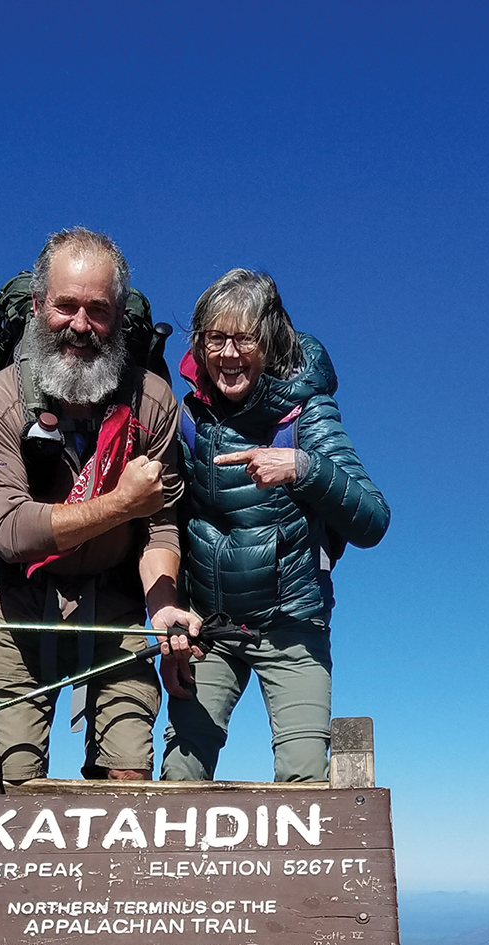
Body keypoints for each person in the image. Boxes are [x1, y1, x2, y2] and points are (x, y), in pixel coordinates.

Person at [0, 227, 197, 781]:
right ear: (39, 305)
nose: (80, 325)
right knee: (14, 787)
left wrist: (163, 607)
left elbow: (159, 526)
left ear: (118, 316)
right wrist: (121, 505)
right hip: (18, 606)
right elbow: (12, 532)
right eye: (66, 306)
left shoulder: (152, 400)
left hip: (115, 602)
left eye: (98, 310)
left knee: (129, 781)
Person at [160, 269, 389, 783]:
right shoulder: (188, 418)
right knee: (178, 782)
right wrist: (173, 621)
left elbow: (374, 519)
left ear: (271, 340)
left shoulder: (305, 413)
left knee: (305, 785)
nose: (229, 354)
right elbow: (165, 527)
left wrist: (301, 469)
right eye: (215, 338)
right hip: (211, 630)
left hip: (292, 627)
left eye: (245, 338)